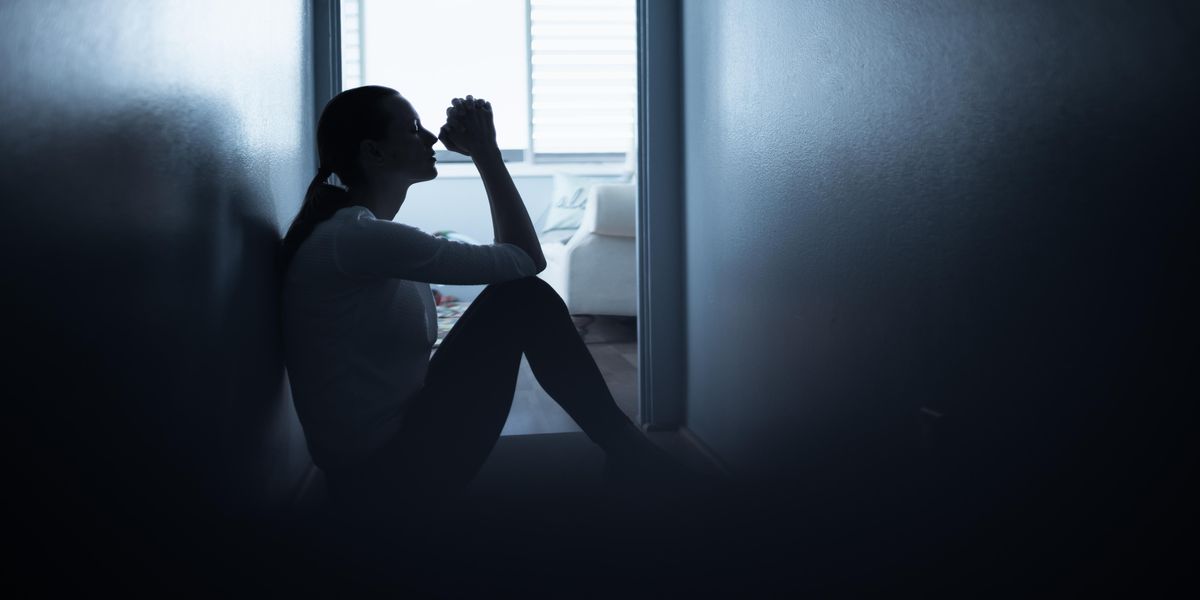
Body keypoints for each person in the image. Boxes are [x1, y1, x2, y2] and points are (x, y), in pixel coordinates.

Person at [279, 86, 689, 529]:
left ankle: (626, 451)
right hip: (382, 479)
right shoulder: (357, 238)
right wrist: (486, 153)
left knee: (517, 296)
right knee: (521, 296)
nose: (431, 138)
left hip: (372, 464)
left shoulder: (356, 234)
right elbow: (525, 261)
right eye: (414, 129)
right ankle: (629, 451)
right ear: (374, 153)